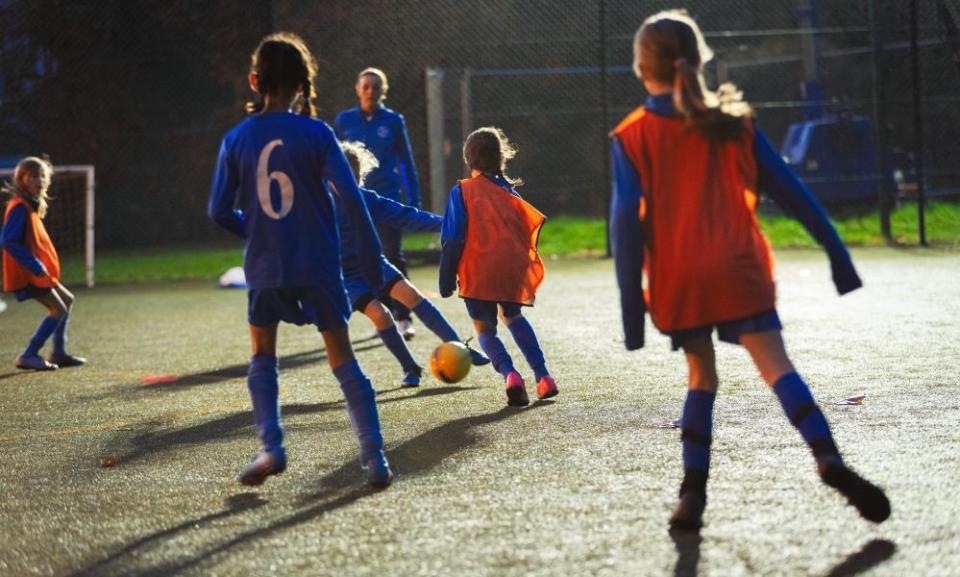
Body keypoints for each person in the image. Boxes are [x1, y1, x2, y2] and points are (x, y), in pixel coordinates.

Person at [610, 10, 890, 531]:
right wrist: (838, 255)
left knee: (702, 377)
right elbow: (793, 192)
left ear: (641, 69)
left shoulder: (631, 137)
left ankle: (692, 494)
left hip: (681, 280)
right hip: (740, 269)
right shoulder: (735, 123)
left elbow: (625, 225)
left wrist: (632, 315)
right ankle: (828, 458)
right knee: (778, 368)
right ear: (698, 61)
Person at [208, 33, 392, 488]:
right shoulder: (318, 133)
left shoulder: (236, 138)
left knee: (262, 355)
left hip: (266, 267)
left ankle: (271, 446)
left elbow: (217, 210)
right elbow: (352, 199)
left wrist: (258, 232)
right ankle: (374, 459)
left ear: (255, 80)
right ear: (303, 85)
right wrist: (372, 264)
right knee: (342, 359)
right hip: (319, 264)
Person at [338, 141, 489, 388]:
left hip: (374, 263)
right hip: (345, 274)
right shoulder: (321, 204)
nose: (350, 178)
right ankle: (411, 368)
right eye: (344, 171)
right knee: (381, 314)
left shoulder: (367, 199)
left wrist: (448, 223)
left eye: (355, 173)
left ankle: (461, 348)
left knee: (412, 296)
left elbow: (408, 217)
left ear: (360, 175)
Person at [439, 127, 557, 407]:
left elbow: (453, 239)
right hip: (510, 270)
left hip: (477, 271)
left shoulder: (462, 191)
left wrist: (446, 279)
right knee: (513, 317)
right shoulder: (510, 193)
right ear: (501, 159)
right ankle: (543, 376)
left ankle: (511, 375)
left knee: (486, 331)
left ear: (468, 159)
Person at [335, 68, 422, 340]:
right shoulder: (344, 121)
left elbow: (406, 162)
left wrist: (414, 200)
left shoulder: (394, 121)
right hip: (355, 202)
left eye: (375, 86)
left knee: (392, 254)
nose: (370, 91)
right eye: (366, 86)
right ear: (358, 89)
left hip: (387, 199)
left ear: (383, 90)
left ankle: (404, 317)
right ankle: (381, 316)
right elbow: (334, 161)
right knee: (363, 258)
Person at [1, 156, 86, 371]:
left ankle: (58, 353)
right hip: (27, 273)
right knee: (57, 308)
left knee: (67, 300)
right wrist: (34, 264)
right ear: (22, 180)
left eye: (42, 176)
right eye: (33, 177)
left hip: (37, 272)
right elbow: (7, 240)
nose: (39, 180)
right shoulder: (19, 207)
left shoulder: (31, 205)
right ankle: (28, 354)